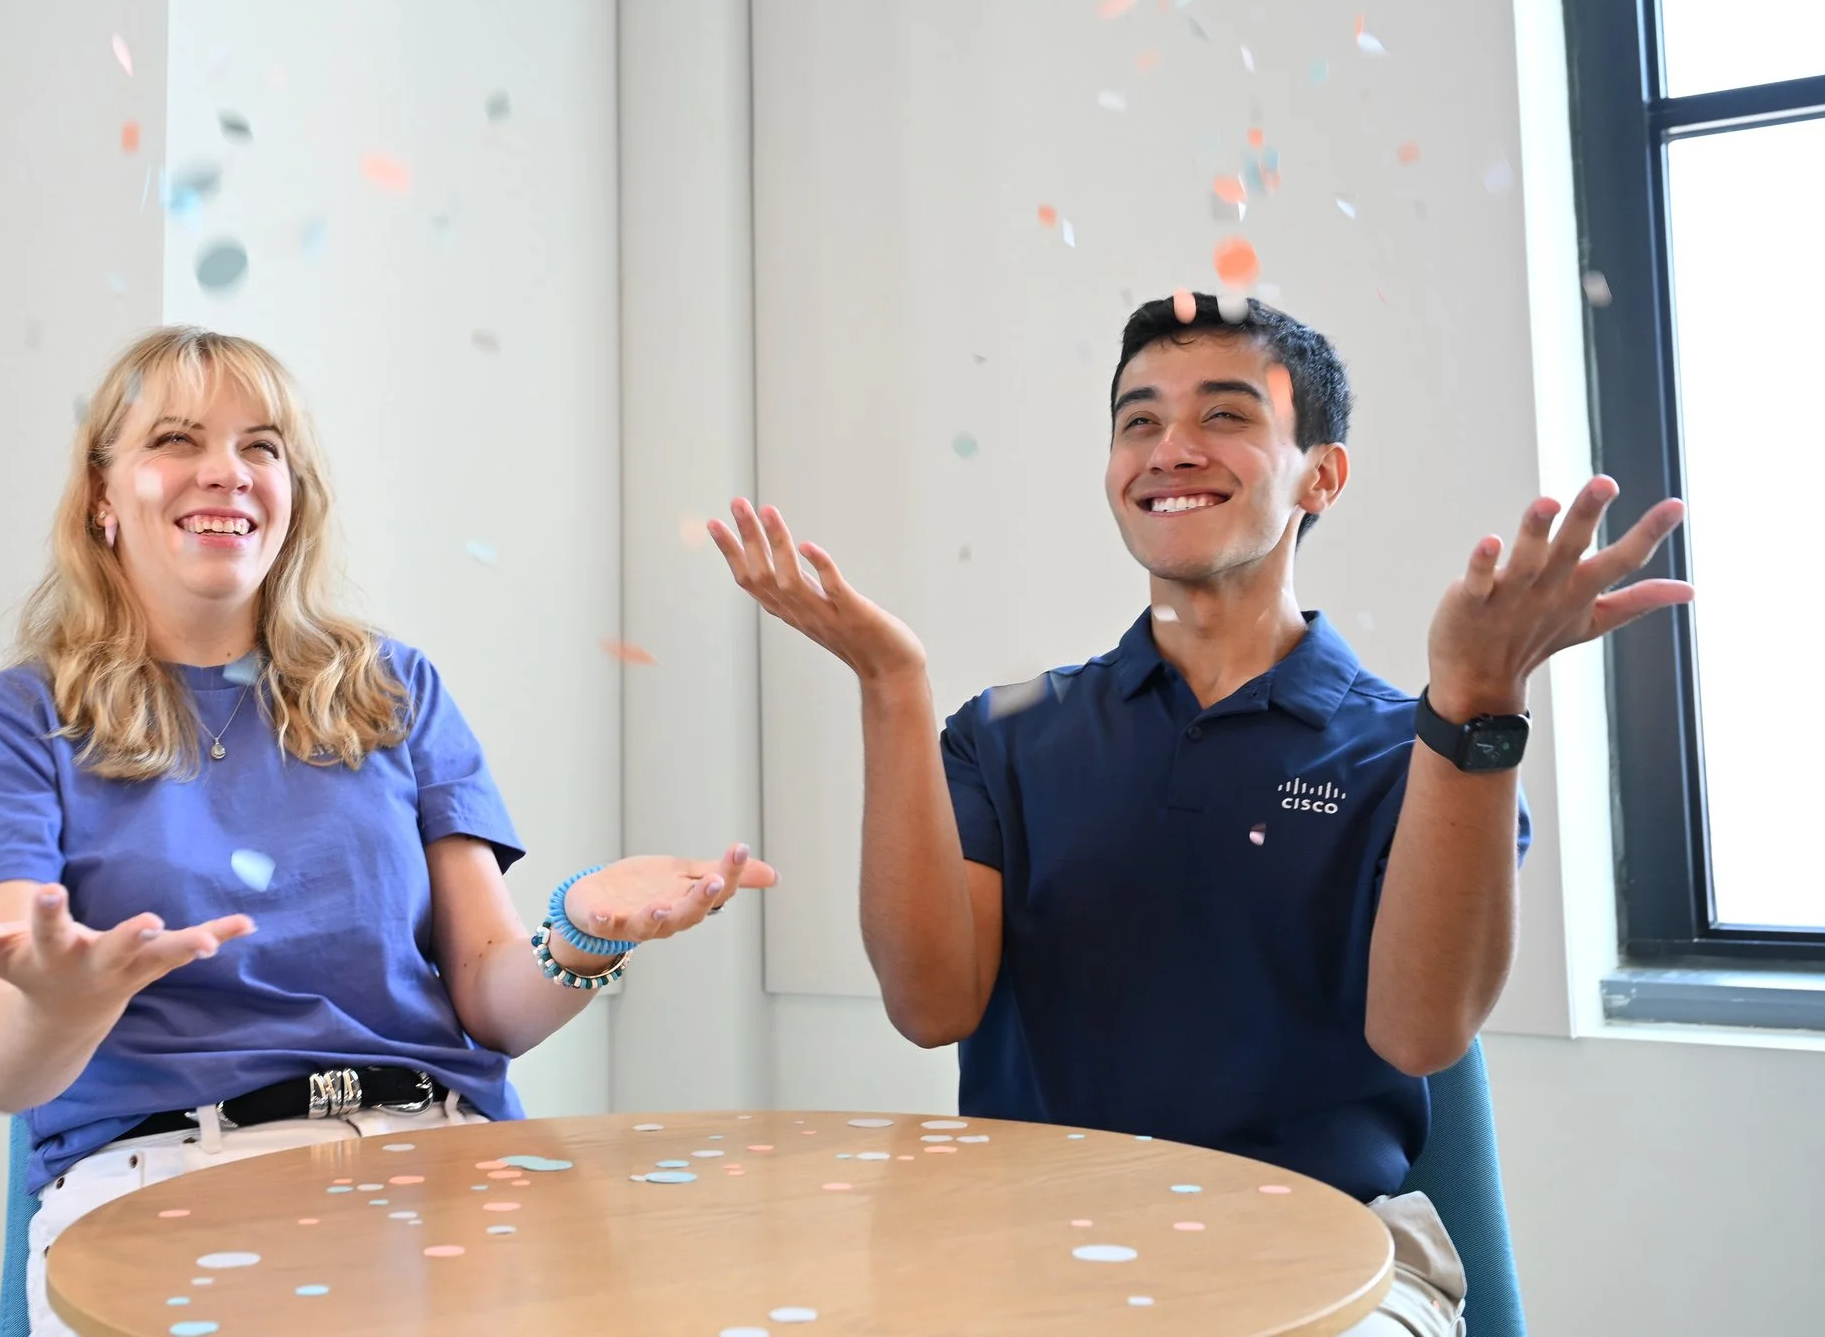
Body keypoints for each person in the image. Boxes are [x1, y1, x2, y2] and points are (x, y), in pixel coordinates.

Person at [710, 293, 1689, 1336]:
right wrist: (889, 682)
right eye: (1138, 420)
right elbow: (930, 1003)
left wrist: (1475, 704)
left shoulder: (1414, 746)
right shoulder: (1005, 733)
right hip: (1029, 1247)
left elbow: (1419, 1029)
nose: (1169, 448)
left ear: (1322, 472)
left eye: (1225, 415)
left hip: (1335, 1251)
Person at [0, 326, 774, 1337]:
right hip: (168, 1175)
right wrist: (58, 1006)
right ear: (102, 492)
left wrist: (582, 932)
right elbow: (0, 1060)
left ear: (294, 493)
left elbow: (491, 1000)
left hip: (441, 1155)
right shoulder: (9, 727)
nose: (226, 469)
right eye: (177, 438)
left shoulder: (394, 689)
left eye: (262, 446)